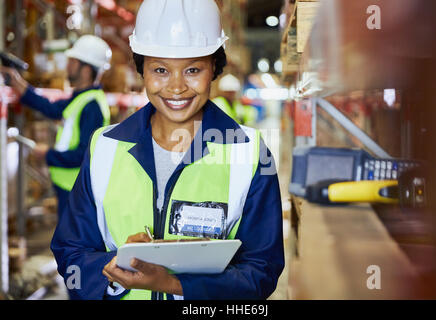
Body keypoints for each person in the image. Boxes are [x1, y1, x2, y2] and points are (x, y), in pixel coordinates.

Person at [51, 0, 284, 300]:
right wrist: (120, 268)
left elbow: (262, 271)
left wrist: (174, 284)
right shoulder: (105, 148)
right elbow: (70, 252)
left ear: (214, 67)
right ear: (142, 70)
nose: (176, 87)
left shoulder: (249, 155)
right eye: (160, 69)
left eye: (192, 70)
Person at [0, 35, 111, 216]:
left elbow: (83, 154)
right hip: (68, 187)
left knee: (72, 242)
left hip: (75, 189)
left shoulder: (92, 106)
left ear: (86, 70)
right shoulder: (81, 98)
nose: (67, 66)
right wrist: (16, 81)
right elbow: (50, 108)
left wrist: (48, 155)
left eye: (73, 62)